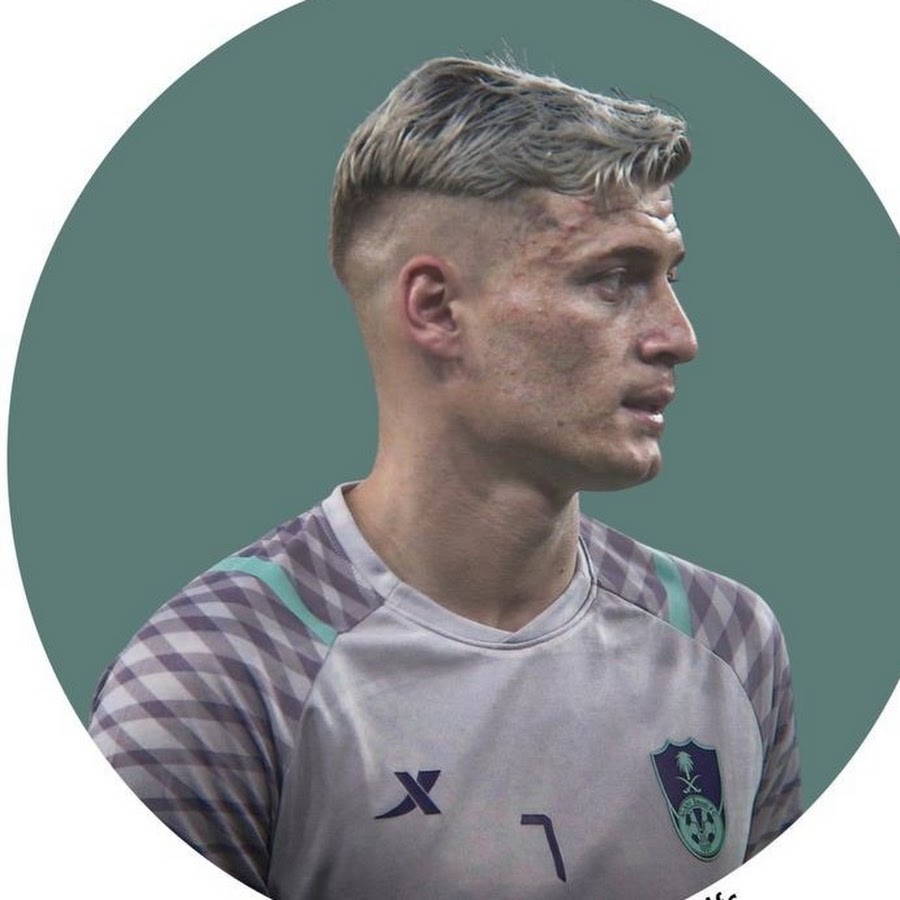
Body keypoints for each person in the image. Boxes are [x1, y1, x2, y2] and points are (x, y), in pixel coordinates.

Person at [89, 57, 801, 900]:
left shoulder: (729, 641)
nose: (678, 337)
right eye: (614, 279)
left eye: (669, 277)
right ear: (434, 309)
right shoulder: (214, 674)